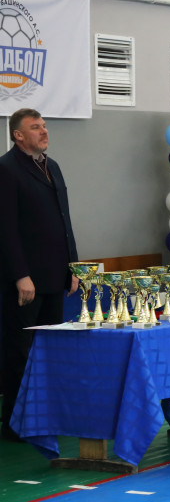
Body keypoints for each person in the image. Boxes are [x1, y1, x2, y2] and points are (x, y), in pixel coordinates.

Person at [0, 108, 79, 442]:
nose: (44, 131)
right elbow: (6, 228)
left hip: (54, 276)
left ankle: (48, 416)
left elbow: (64, 220)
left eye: (44, 126)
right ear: (18, 135)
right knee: (21, 352)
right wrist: (20, 274)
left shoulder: (52, 166)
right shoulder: (6, 169)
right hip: (26, 281)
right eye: (35, 127)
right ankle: (16, 424)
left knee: (51, 350)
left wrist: (73, 266)